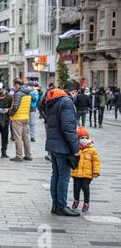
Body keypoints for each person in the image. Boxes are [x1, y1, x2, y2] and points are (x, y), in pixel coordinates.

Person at [46, 80, 81, 217]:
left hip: (54, 143)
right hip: (62, 145)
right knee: (64, 177)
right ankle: (61, 205)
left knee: (56, 175)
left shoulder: (55, 99)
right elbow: (68, 127)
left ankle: (55, 205)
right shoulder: (66, 102)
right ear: (74, 92)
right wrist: (75, 148)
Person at [71, 126, 100, 213]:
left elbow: (96, 162)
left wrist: (96, 172)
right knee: (76, 188)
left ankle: (86, 203)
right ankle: (76, 200)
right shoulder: (75, 149)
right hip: (76, 173)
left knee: (85, 188)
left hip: (87, 174)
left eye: (86, 138)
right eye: (81, 138)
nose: (84, 139)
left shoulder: (92, 150)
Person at [8, 78, 32, 162]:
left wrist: (10, 113)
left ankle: (19, 155)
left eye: (15, 85)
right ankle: (28, 155)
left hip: (18, 117)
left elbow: (15, 106)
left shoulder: (18, 94)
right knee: (25, 137)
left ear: (17, 84)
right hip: (25, 117)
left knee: (17, 137)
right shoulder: (28, 93)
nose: (14, 87)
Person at [39, 83, 55, 162]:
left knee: (53, 137)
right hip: (48, 121)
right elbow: (41, 108)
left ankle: (53, 153)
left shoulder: (58, 99)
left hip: (54, 121)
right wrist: (45, 117)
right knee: (49, 137)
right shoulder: (45, 98)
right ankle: (49, 153)